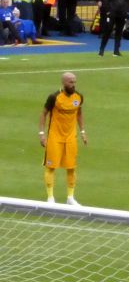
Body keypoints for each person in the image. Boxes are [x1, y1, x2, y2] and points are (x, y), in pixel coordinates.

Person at [38, 71, 87, 205]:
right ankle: (50, 197)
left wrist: (82, 131)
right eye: (71, 82)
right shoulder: (54, 97)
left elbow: (79, 113)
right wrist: (41, 134)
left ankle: (70, 198)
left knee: (71, 167)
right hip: (55, 137)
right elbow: (43, 114)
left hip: (71, 138)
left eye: (74, 82)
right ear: (64, 82)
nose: (73, 84)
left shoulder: (78, 97)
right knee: (51, 167)